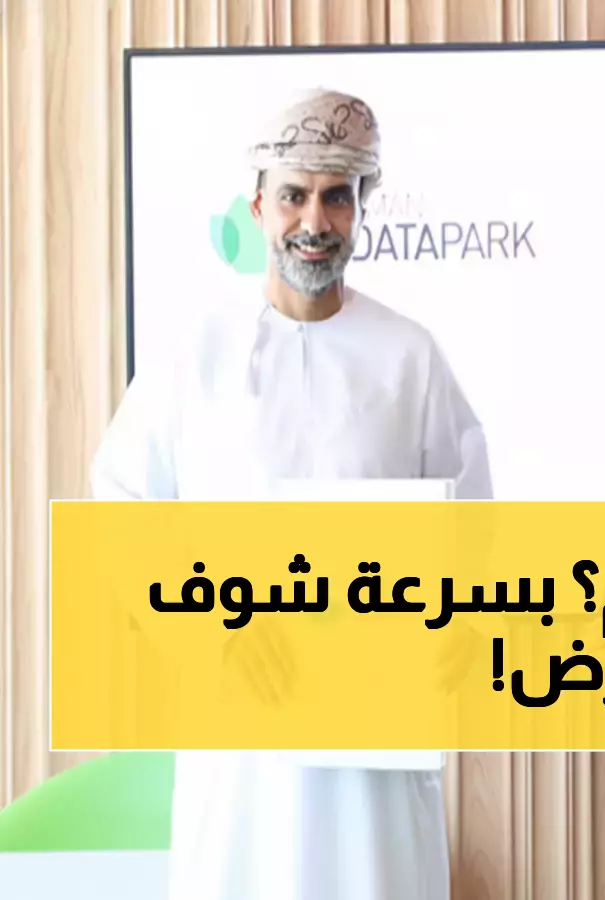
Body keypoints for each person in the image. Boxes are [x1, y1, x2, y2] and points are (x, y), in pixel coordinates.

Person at [90, 87, 490, 900]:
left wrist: (463, 630)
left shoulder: (410, 357)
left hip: (377, 767)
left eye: (337, 197)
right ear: (258, 208)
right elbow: (120, 515)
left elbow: (476, 541)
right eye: (294, 196)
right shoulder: (195, 355)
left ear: (362, 208)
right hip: (241, 767)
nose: (315, 220)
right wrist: (218, 632)